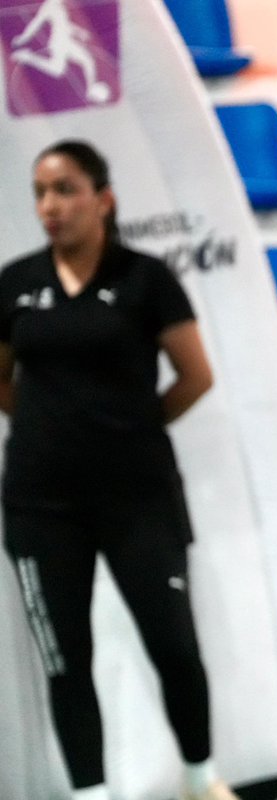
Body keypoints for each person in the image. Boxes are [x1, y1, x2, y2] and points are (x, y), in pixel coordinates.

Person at [0, 141, 231, 800]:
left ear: (104, 199)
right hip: (40, 506)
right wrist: (54, 432)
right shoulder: (15, 283)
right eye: (40, 192)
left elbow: (195, 376)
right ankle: (90, 794)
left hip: (140, 499)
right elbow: (3, 380)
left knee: (175, 649)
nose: (50, 205)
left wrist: (129, 429)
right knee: (65, 661)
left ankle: (199, 780)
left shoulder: (146, 279)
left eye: (66, 189)